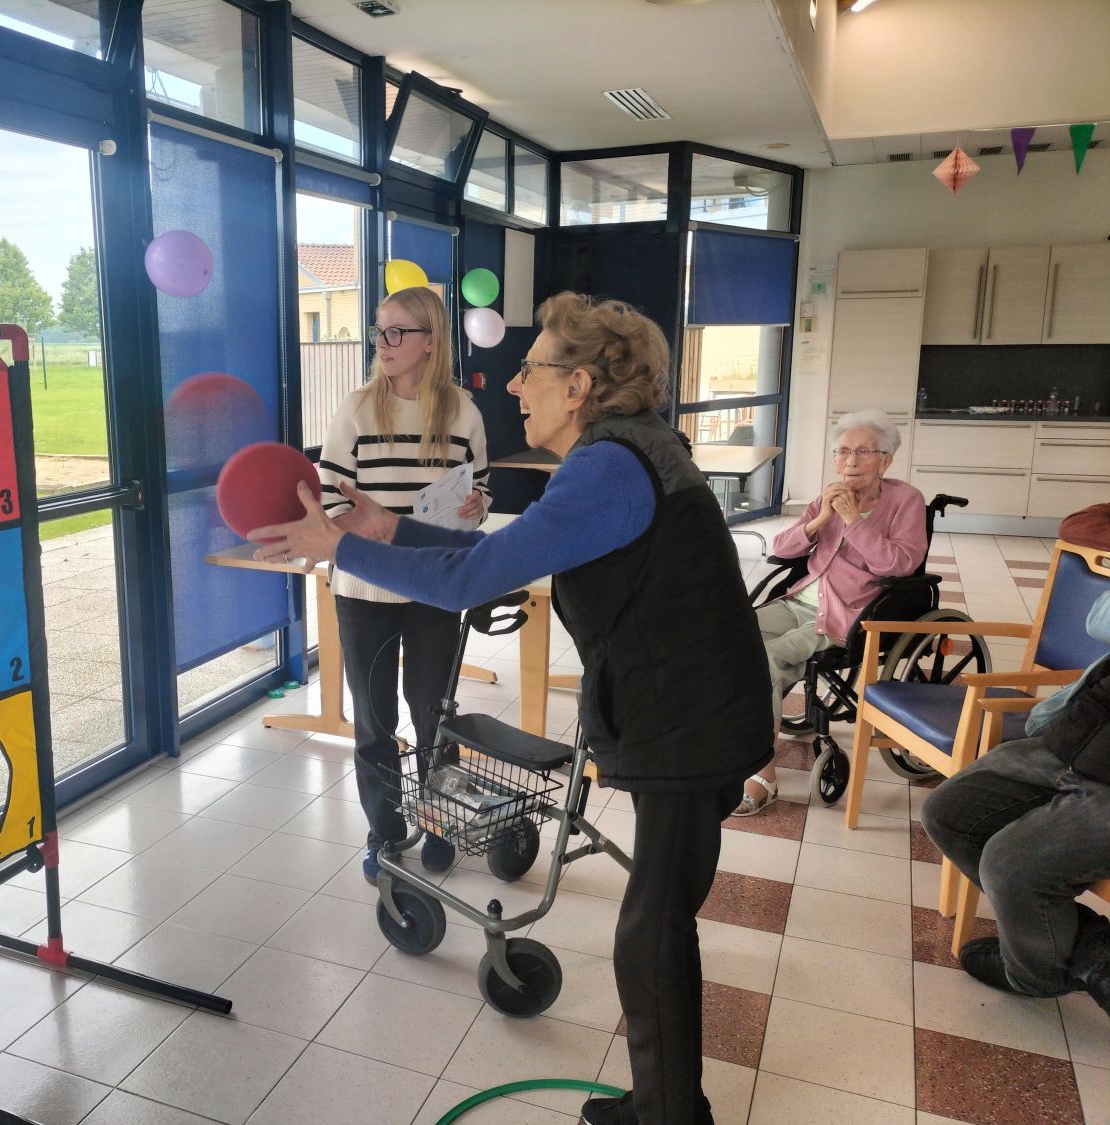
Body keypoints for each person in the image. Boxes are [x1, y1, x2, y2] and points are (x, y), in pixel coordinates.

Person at [250, 291, 772, 1125]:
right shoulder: (620, 454)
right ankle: (664, 1103)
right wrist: (390, 530)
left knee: (652, 932)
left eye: (532, 368)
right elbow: (493, 554)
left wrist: (342, 546)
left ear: (581, 385)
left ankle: (672, 1116)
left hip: (690, 720)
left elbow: (469, 582)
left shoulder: (607, 467)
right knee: (658, 922)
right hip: (696, 708)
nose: (516, 385)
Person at [318, 285, 490, 883]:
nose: (383, 344)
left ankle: (439, 820)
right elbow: (326, 495)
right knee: (374, 719)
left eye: (397, 333)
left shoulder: (463, 411)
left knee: (433, 714)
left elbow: (482, 489)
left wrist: (475, 504)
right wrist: (357, 525)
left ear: (431, 341)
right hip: (364, 587)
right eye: (379, 331)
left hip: (433, 586)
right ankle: (386, 832)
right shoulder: (358, 408)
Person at [921, 576, 1110, 1041]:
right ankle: (1096, 951)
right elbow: (1102, 616)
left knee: (1010, 866)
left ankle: (1034, 974)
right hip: (1067, 740)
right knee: (948, 811)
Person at [733, 410, 927, 816]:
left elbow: (901, 564)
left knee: (766, 660)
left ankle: (763, 774)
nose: (850, 461)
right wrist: (820, 518)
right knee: (728, 638)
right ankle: (732, 737)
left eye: (862, 452)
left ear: (886, 460)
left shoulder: (906, 500)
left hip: (848, 613)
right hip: (799, 601)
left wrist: (854, 521)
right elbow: (781, 549)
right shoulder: (829, 495)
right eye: (842, 452)